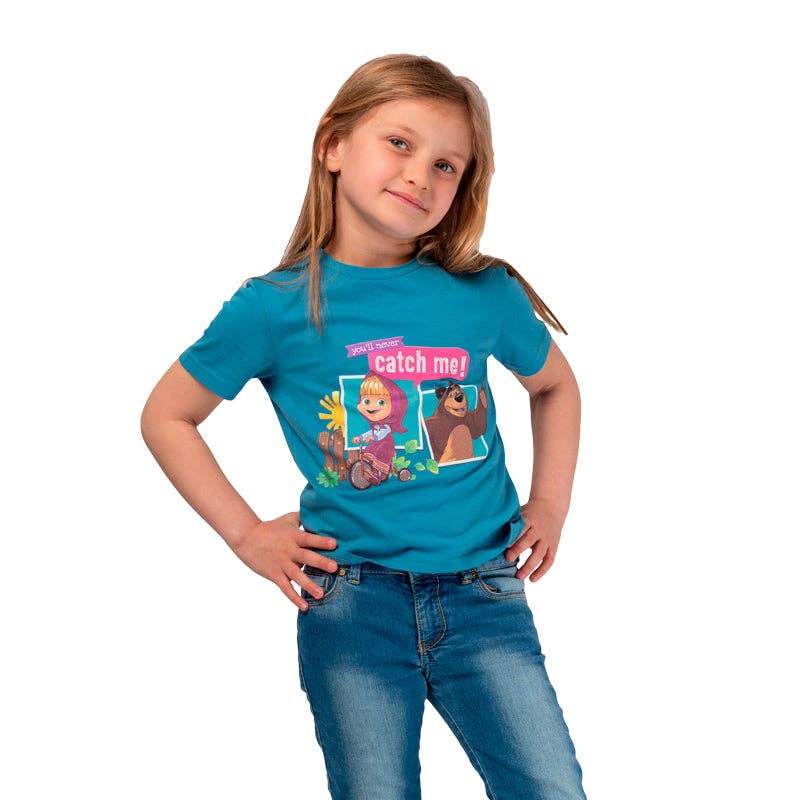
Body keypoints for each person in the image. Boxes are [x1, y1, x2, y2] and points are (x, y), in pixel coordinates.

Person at [141, 53, 586, 800]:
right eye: (400, 143)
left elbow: (555, 386)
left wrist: (550, 503)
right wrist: (247, 535)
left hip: (484, 592)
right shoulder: (275, 307)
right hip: (351, 604)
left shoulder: (484, 293)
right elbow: (167, 415)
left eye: (446, 165)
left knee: (549, 786)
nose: (420, 175)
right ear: (333, 146)